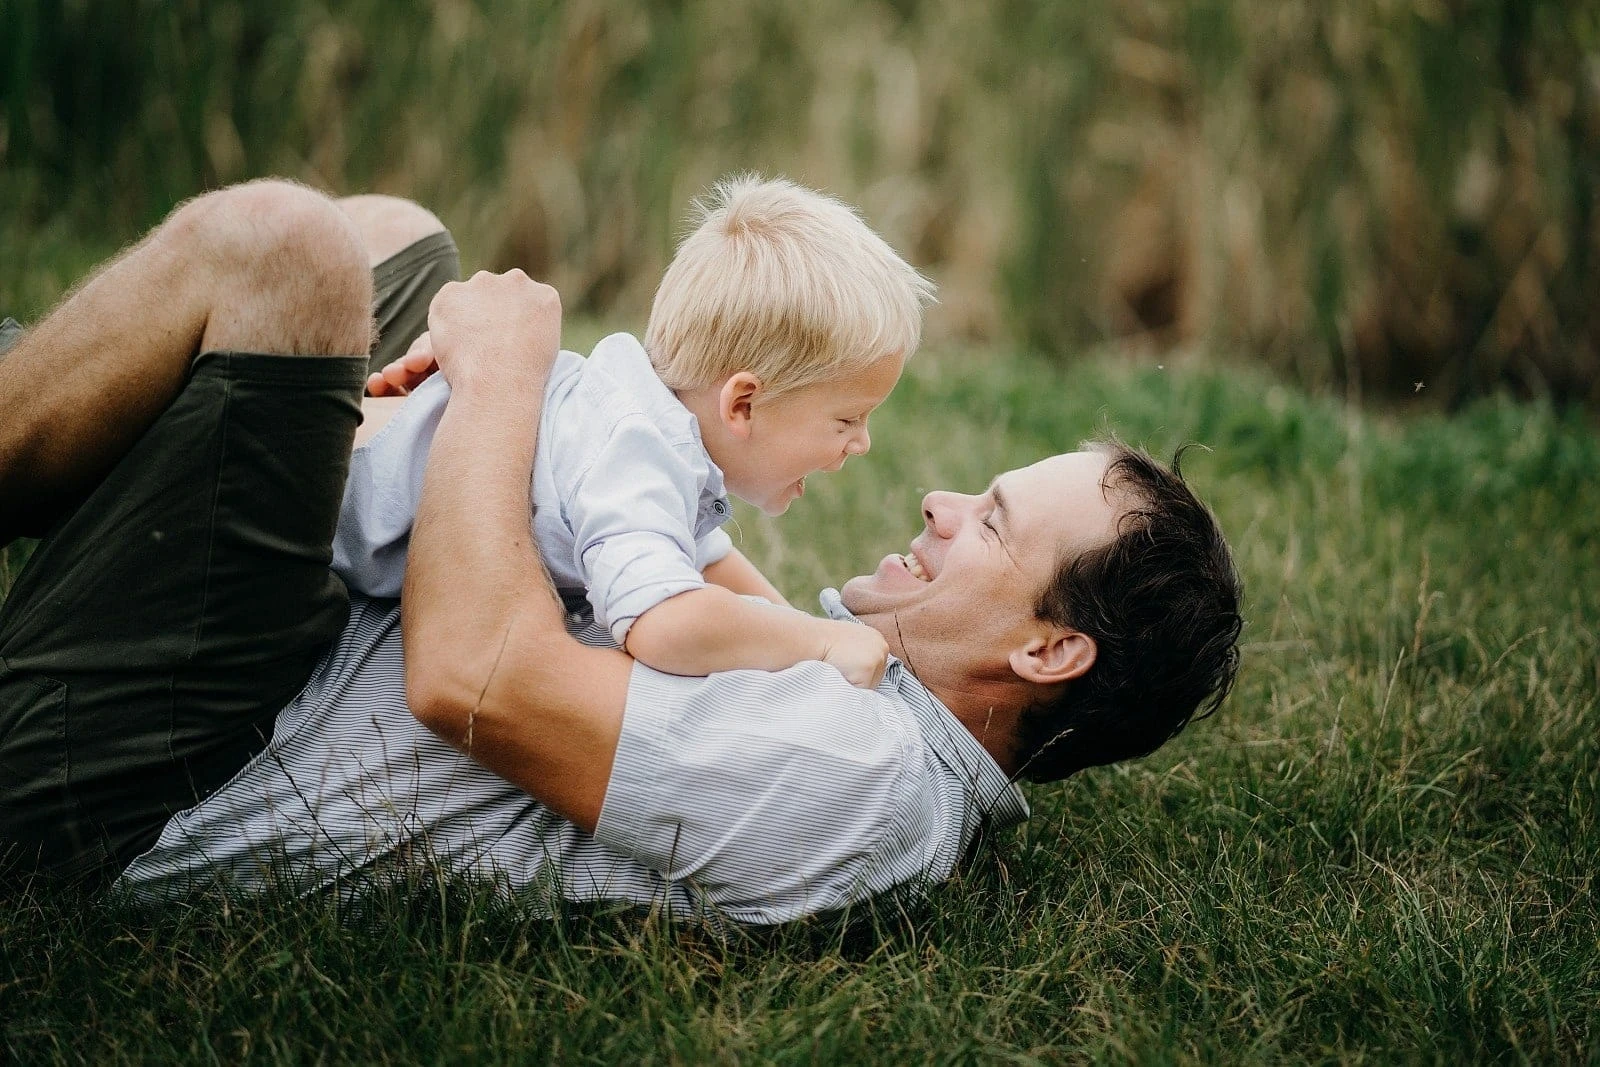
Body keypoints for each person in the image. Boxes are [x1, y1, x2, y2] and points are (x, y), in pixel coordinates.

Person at [0, 181, 1242, 924]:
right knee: (395, 238)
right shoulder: (872, 691)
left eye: (992, 521)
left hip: (158, 773)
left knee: (285, 251)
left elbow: (474, 678)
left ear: (1047, 648)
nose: (935, 497)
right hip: (295, 642)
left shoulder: (860, 773)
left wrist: (504, 380)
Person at [337, 176, 934, 691]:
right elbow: (663, 622)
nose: (862, 444)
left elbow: (705, 559)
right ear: (744, 404)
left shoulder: (651, 426)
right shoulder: (632, 454)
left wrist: (795, 628)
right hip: (317, 510)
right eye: (847, 419)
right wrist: (818, 642)